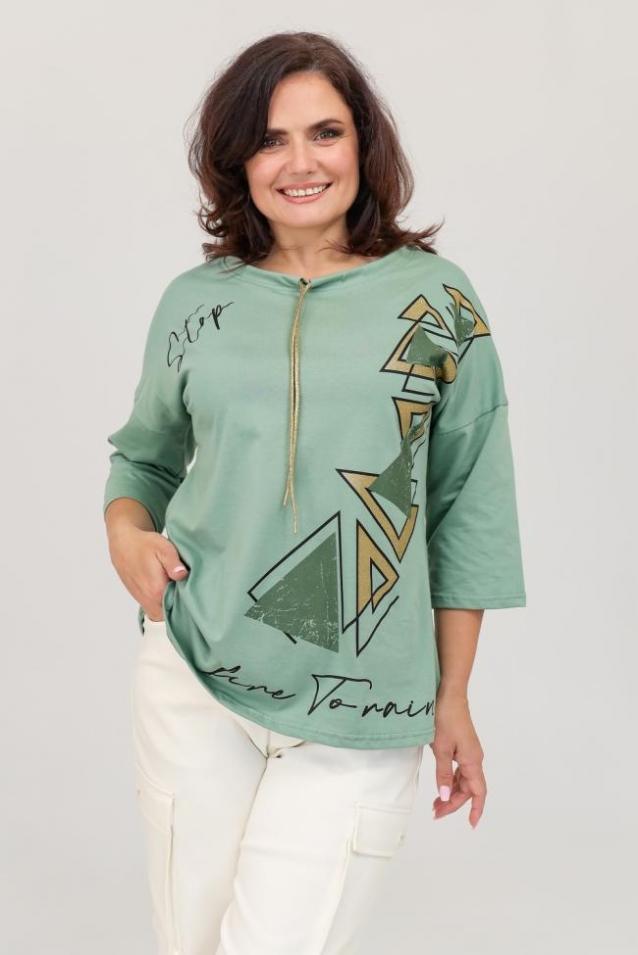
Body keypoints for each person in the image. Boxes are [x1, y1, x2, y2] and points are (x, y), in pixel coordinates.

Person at [103, 30, 526, 955]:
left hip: (362, 700)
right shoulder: (194, 302)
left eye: (325, 133)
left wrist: (453, 695)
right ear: (237, 162)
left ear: (364, 144)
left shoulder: (440, 302)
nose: (301, 163)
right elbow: (142, 460)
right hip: (192, 674)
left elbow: (469, 505)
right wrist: (127, 534)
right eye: (270, 140)